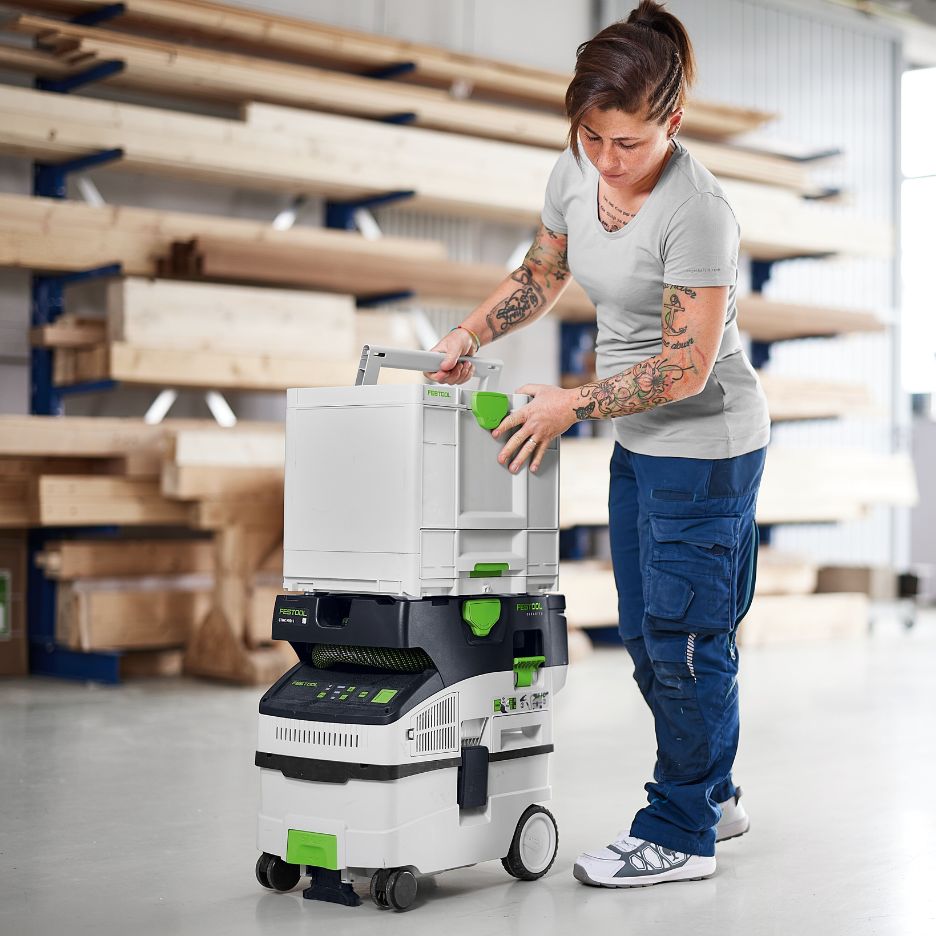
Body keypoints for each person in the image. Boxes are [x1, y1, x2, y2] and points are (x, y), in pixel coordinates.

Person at [426, 0, 771, 888]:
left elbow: (688, 369)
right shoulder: (576, 170)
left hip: (708, 445)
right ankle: (715, 794)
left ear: (673, 121)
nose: (609, 163)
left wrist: (572, 402)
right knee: (656, 644)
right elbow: (544, 271)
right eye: (593, 139)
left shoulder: (700, 212)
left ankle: (681, 828)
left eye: (629, 145)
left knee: (685, 638)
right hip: (637, 441)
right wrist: (468, 333)